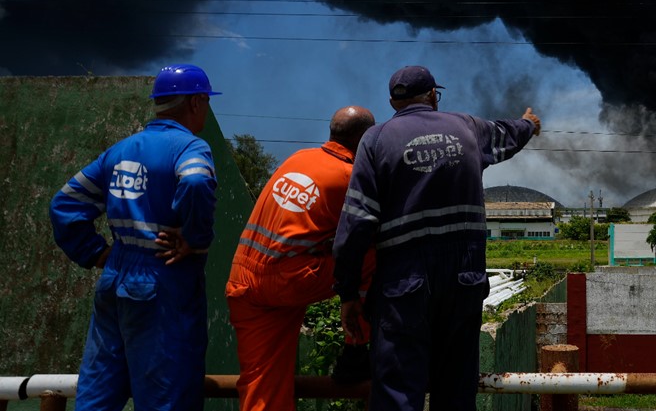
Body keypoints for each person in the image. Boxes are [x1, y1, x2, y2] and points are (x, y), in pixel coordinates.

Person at [333, 65, 541, 411]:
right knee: (456, 389)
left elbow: (357, 224)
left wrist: (348, 292)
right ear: (433, 96)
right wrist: (529, 125)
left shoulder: (376, 140)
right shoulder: (469, 127)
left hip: (403, 281)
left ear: (392, 102)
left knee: (398, 392)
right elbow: (509, 133)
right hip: (464, 277)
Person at [49, 63, 221, 411]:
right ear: (196, 102)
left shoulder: (121, 150)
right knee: (166, 396)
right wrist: (194, 237)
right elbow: (195, 181)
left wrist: (97, 252)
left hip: (115, 277)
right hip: (163, 277)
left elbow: (64, 202)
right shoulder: (190, 147)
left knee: (98, 393)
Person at [226, 105, 377, 411]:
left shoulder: (298, 158)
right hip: (288, 279)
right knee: (374, 253)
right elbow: (359, 239)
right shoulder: (351, 177)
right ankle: (356, 350)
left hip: (244, 278)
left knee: (262, 384)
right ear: (365, 139)